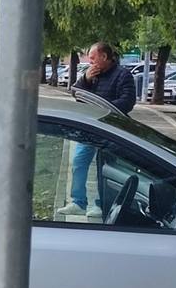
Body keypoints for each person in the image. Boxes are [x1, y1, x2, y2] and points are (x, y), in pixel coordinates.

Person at [57, 42, 136, 218]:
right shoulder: (92, 75)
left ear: (104, 57)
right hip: (91, 126)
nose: (90, 62)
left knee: (105, 166)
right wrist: (85, 79)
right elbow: (76, 93)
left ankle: (103, 203)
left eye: (93, 58)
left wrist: (104, 110)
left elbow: (128, 101)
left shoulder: (123, 75)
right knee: (79, 161)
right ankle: (78, 202)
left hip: (110, 128)